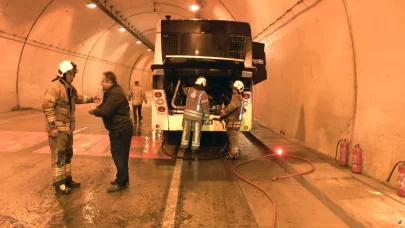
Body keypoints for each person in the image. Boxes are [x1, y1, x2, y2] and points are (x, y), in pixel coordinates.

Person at [42, 60, 100, 194]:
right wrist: (52, 127)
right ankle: (59, 183)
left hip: (68, 129)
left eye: (73, 74)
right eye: (71, 74)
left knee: (68, 154)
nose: (73, 76)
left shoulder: (69, 87)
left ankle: (68, 179)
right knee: (59, 156)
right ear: (64, 73)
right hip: (58, 129)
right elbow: (47, 107)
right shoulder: (54, 87)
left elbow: (77, 98)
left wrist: (91, 99)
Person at [88, 71, 133, 193]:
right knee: (121, 155)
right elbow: (104, 105)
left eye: (103, 81)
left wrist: (93, 111)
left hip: (121, 129)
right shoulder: (111, 92)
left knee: (119, 155)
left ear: (109, 82)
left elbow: (106, 111)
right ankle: (123, 178)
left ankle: (121, 183)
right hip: (119, 129)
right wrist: (97, 107)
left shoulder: (115, 93)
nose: (101, 83)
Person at [180, 76, 210, 152]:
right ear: (203, 85)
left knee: (186, 131)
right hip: (197, 118)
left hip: (187, 116)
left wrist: (183, 83)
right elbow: (205, 107)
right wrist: (207, 117)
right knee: (196, 133)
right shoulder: (203, 94)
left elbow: (183, 89)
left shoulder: (189, 89)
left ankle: (184, 146)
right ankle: (194, 148)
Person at [219, 80, 244, 160]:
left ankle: (233, 154)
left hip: (233, 122)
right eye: (233, 88)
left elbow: (231, 108)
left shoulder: (236, 98)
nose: (233, 90)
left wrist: (222, 114)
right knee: (233, 139)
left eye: (234, 89)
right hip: (235, 122)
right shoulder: (238, 98)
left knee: (233, 139)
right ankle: (234, 153)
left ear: (238, 90)